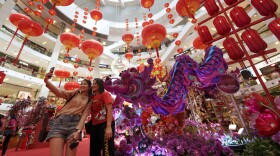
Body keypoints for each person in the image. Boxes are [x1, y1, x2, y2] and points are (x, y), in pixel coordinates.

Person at [44, 70, 93, 156]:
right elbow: (59, 93)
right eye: (81, 83)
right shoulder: (74, 93)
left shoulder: (89, 100)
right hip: (60, 122)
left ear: (89, 87)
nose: (82, 85)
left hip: (75, 125)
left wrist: (78, 131)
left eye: (84, 84)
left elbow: (84, 115)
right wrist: (47, 82)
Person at [90, 78, 115, 156]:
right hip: (94, 125)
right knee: (94, 149)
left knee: (107, 149)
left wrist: (108, 127)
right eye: (93, 83)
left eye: (95, 83)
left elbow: (109, 108)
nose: (93, 85)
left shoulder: (105, 94)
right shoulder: (92, 97)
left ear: (100, 85)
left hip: (105, 124)